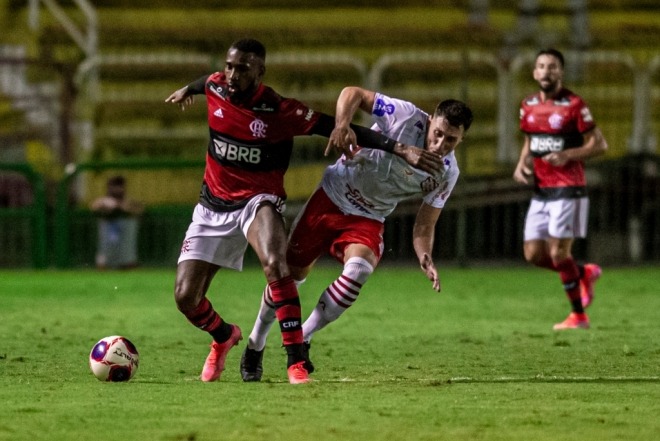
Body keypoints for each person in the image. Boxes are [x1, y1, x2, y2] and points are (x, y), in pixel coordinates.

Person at [164, 39, 442, 384]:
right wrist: (186, 89)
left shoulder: (279, 109)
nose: (232, 75)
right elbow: (206, 81)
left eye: (242, 69)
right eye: (229, 66)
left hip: (257, 200)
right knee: (185, 297)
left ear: (260, 72)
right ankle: (224, 337)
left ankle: (295, 359)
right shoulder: (216, 85)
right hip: (212, 205)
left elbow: (336, 127)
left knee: (277, 266)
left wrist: (400, 148)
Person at [240, 86, 473, 381]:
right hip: (332, 195)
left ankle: (303, 336)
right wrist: (342, 124)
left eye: (451, 139)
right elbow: (353, 93)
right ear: (431, 120)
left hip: (369, 217)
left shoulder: (447, 173)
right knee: (289, 278)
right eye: (438, 133)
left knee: (360, 268)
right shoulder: (405, 116)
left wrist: (425, 255)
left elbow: (425, 224)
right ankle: (255, 344)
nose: (440, 144)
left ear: (462, 139)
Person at [512, 48, 607, 331]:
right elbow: (531, 140)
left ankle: (578, 315)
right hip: (541, 190)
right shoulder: (527, 105)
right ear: (534, 72)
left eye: (552, 67)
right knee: (532, 255)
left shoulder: (575, 104)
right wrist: (521, 163)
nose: (546, 71)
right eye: (541, 66)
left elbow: (599, 144)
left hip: (569, 189)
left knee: (557, 253)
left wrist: (568, 155)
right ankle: (583, 273)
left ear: (561, 72)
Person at [90, 175, 144, 269]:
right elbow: (94, 206)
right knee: (107, 251)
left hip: (125, 232)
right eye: (114, 186)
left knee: (126, 252)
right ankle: (105, 265)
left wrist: (122, 207)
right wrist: (107, 207)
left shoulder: (127, 201)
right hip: (108, 229)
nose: (117, 189)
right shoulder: (104, 201)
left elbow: (139, 210)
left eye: (119, 186)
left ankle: (126, 265)